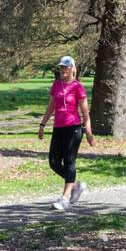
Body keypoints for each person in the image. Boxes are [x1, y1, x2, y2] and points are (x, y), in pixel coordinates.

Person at [38, 56, 95, 210]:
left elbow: (85, 112)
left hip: (74, 129)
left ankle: (65, 198)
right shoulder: (56, 84)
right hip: (58, 128)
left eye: (66, 67)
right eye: (61, 67)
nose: (63, 69)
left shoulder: (78, 87)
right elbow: (51, 106)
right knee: (54, 162)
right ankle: (75, 186)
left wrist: (88, 132)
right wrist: (42, 124)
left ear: (72, 69)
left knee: (69, 162)